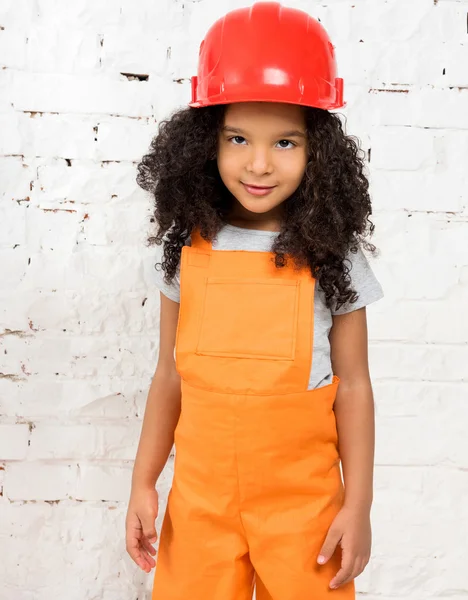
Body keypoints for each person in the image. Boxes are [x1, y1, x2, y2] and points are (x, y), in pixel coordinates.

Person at [126, 2, 384, 598]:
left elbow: (355, 386)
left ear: (319, 152)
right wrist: (144, 482)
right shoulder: (184, 248)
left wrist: (360, 505)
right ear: (203, 145)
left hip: (305, 513)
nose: (259, 163)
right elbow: (168, 375)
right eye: (237, 138)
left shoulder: (332, 255)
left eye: (286, 142)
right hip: (199, 509)